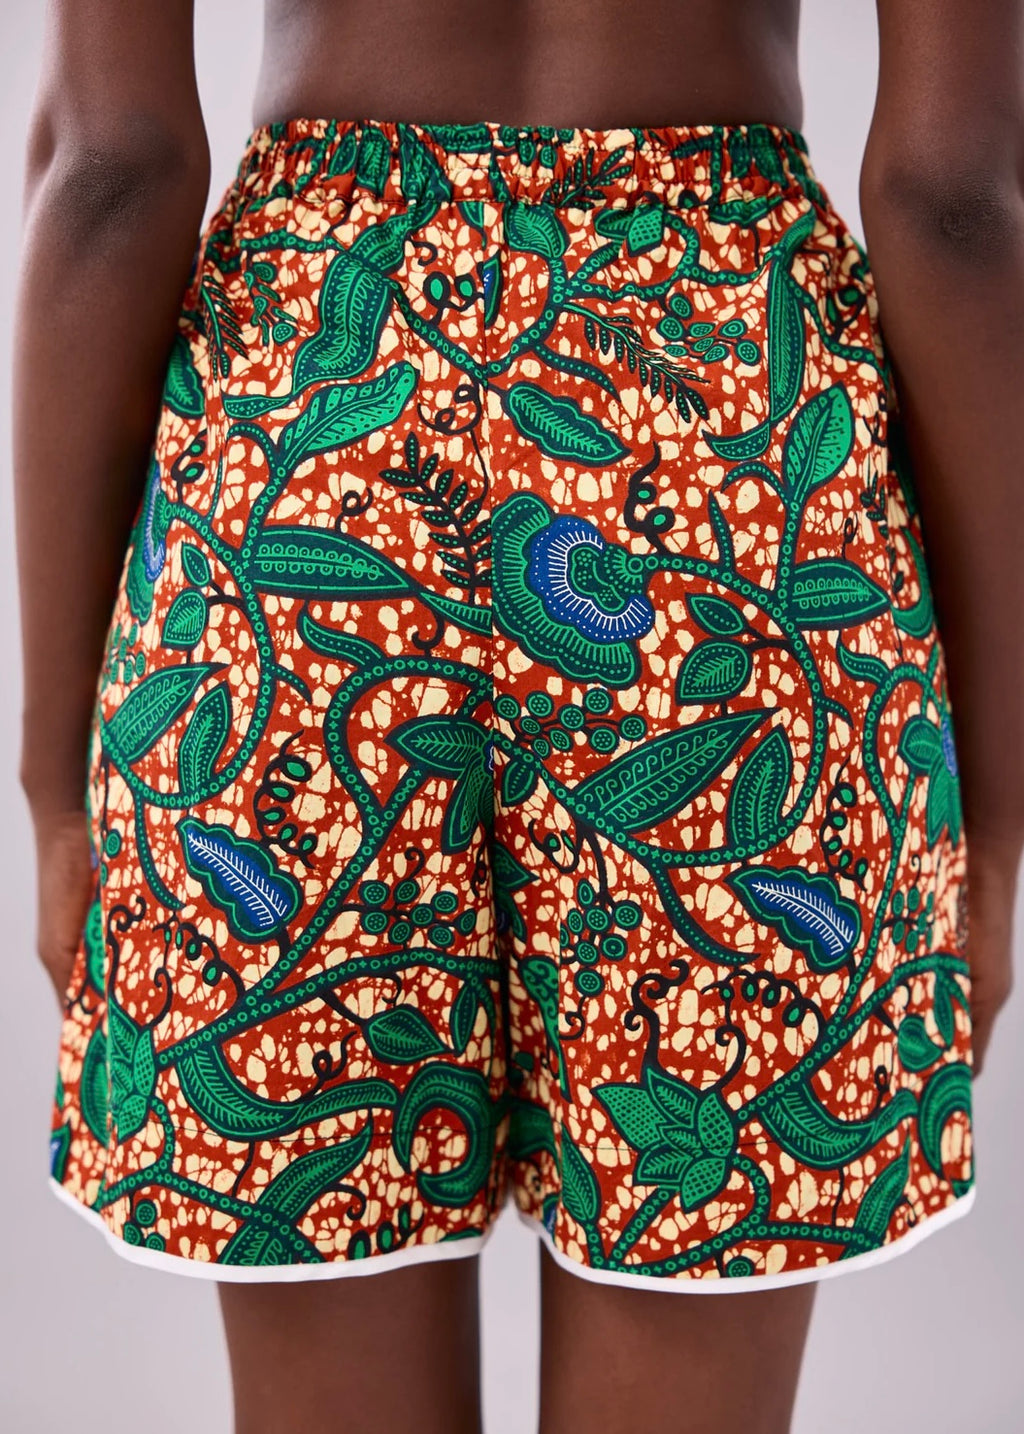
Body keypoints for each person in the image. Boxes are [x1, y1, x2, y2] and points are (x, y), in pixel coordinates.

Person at [13, 2, 1023, 1431]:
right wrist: (1001, 815)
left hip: (313, 457)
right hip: (722, 458)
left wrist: (55, 782)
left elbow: (111, 164)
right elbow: (951, 196)